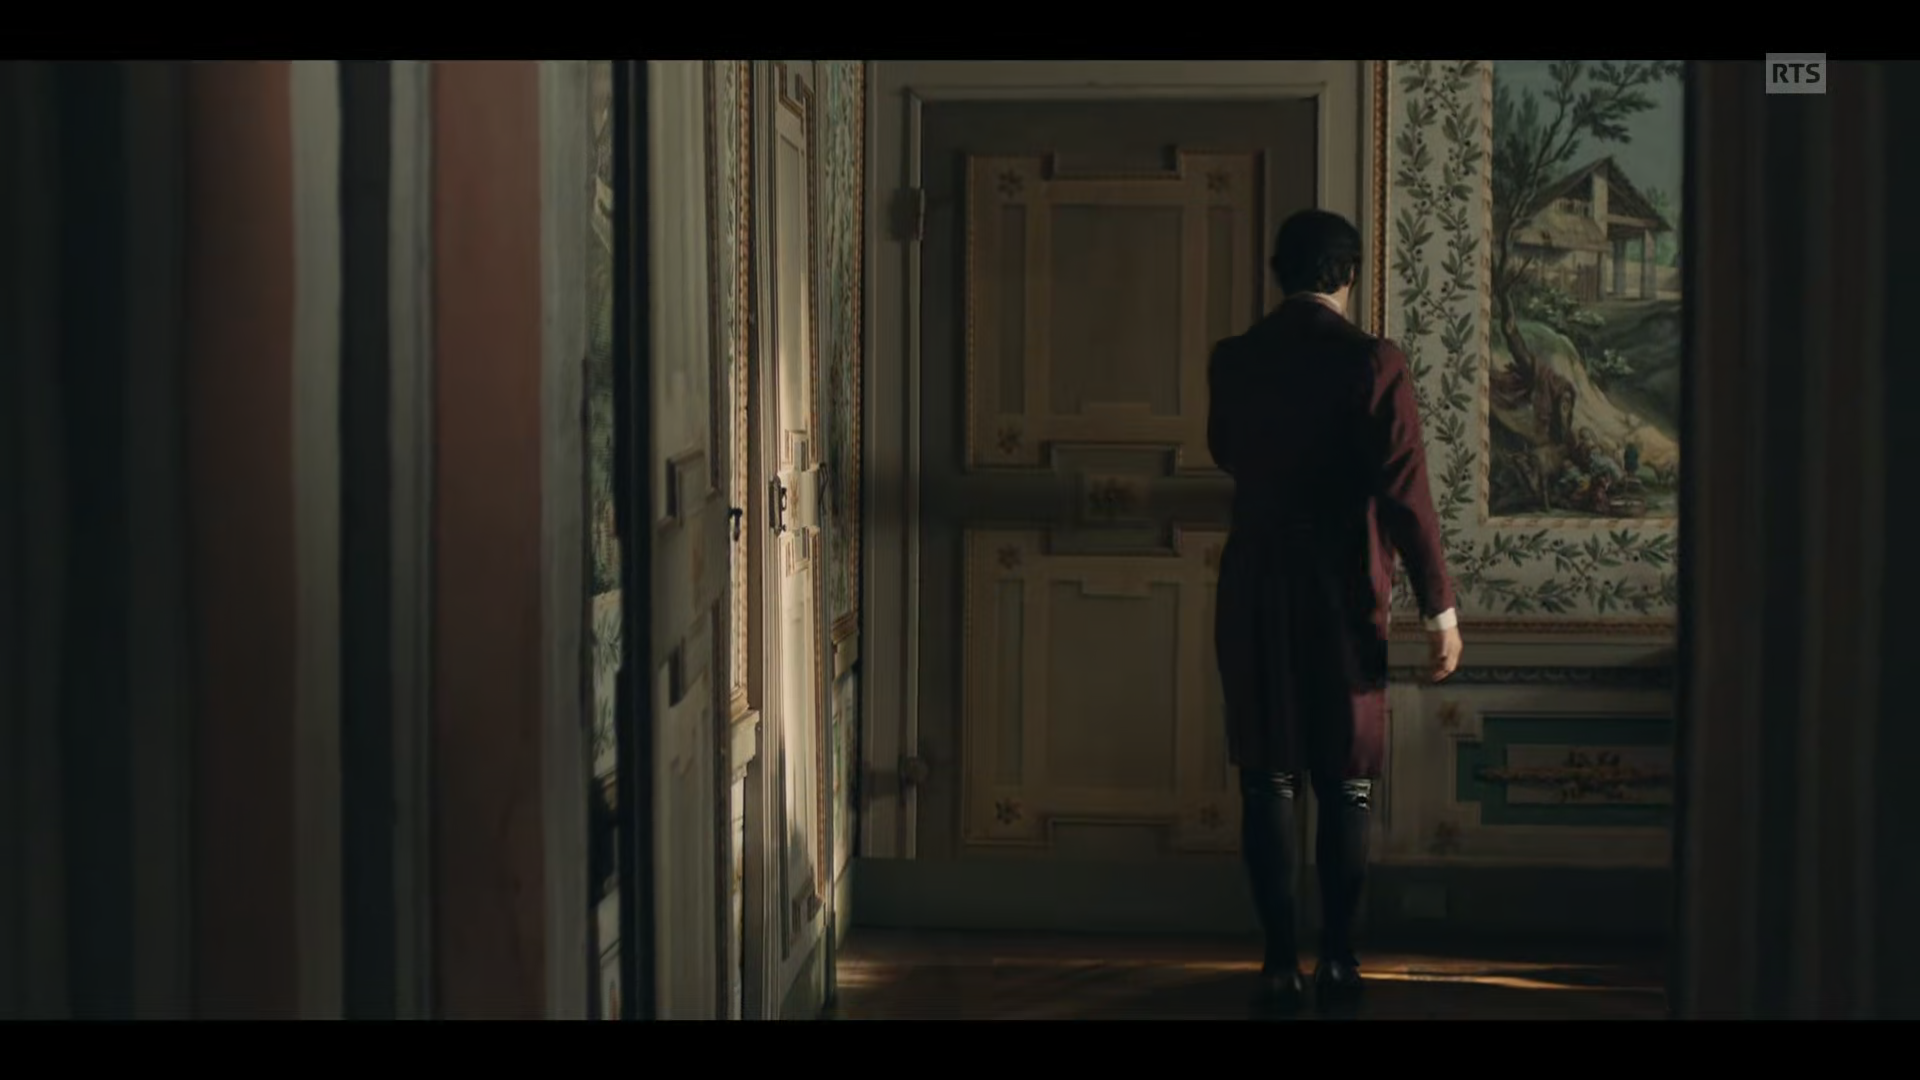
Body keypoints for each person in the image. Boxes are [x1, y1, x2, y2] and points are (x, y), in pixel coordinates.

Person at [1208, 209, 1462, 1015]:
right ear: (1348, 274)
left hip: (1254, 585)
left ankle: (1279, 963)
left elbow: (1226, 451)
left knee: (1267, 777)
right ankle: (1340, 963)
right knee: (1346, 782)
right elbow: (1406, 490)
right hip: (1345, 589)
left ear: (1277, 271)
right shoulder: (1373, 361)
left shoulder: (1234, 359)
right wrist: (1440, 608)